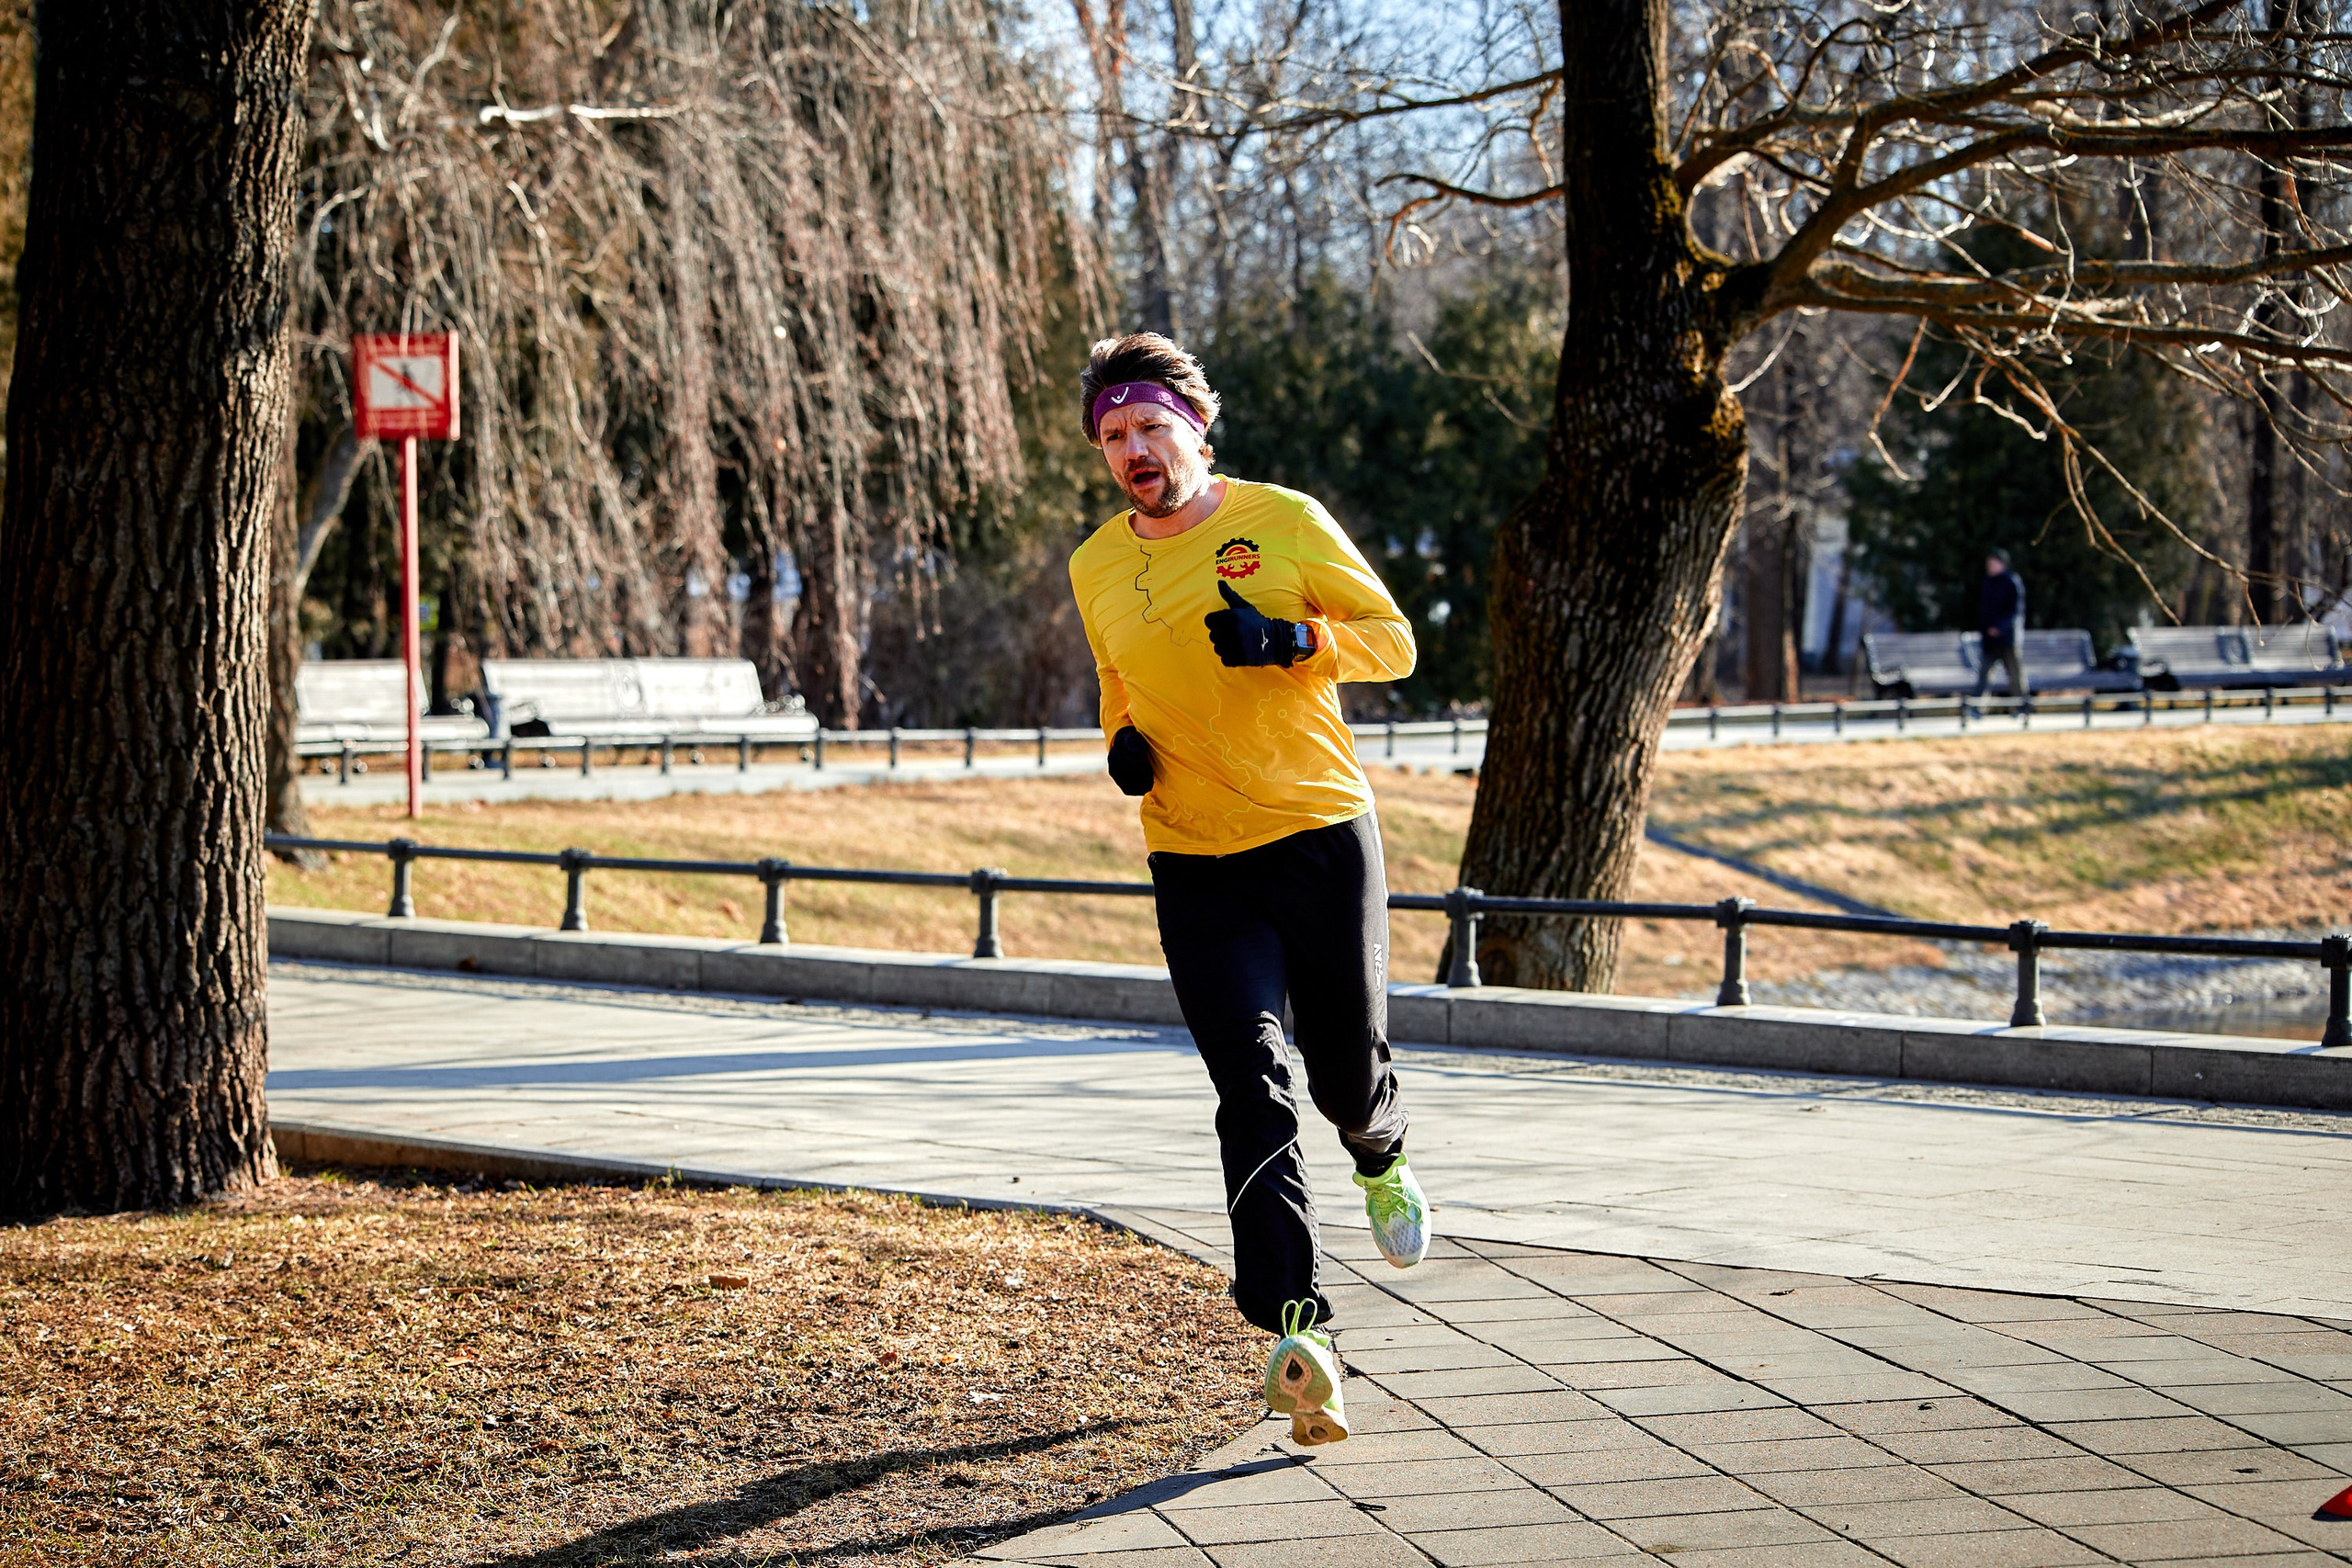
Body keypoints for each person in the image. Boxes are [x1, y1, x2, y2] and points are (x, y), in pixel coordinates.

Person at [1066, 332, 1428, 1447]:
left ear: (1196, 429)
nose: (1133, 449)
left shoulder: (1282, 519)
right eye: (1112, 435)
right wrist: (1122, 744)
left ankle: (1380, 1151)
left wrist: (1291, 638)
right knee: (1250, 1086)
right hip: (1193, 859)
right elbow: (1116, 680)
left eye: (1150, 426)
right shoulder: (1094, 565)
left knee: (1342, 1073)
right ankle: (1295, 1333)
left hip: (1318, 834)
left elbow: (1395, 645)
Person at [1973, 548, 2028, 704]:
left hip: (2008, 638)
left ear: (2002, 564)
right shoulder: (1987, 582)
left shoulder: (2011, 582)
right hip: (1990, 640)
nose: (1990, 566)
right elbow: (1984, 609)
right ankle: (1976, 707)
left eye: (1993, 563)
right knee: (1984, 675)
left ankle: (2021, 706)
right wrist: (1987, 629)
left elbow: (2015, 611)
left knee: (2014, 674)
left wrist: (1999, 627)